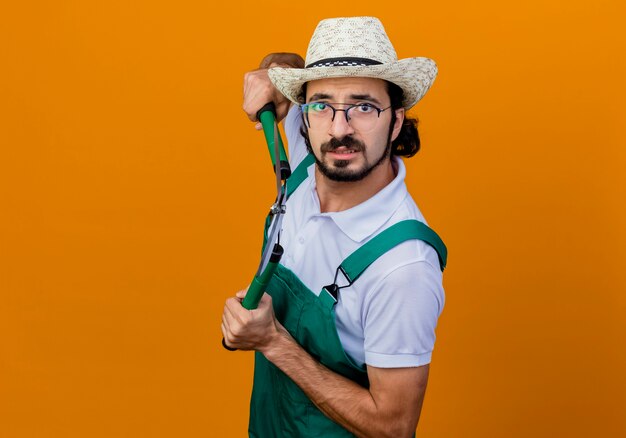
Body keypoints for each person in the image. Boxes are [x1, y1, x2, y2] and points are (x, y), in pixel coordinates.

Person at [221, 16, 447, 438]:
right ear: (304, 117)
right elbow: (283, 61)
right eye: (322, 104)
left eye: (364, 106)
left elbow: (394, 426)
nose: (339, 130)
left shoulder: (403, 267)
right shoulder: (308, 161)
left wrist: (272, 342)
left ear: (396, 121)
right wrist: (271, 74)